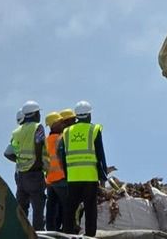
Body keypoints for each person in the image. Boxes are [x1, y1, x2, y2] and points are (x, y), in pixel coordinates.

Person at [59, 100, 108, 237]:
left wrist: (67, 174)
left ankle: (67, 235)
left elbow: (63, 156)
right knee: (90, 209)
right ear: (88, 115)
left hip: (73, 177)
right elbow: (100, 154)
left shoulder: (67, 132)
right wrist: (103, 176)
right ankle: (89, 236)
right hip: (89, 177)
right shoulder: (94, 129)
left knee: (70, 209)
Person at [5, 100, 47, 230]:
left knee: (22, 208)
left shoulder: (16, 132)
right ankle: (37, 233)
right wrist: (38, 164)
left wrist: (20, 161)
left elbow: (8, 153)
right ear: (35, 114)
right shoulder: (37, 127)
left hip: (21, 175)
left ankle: (20, 232)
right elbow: (39, 143)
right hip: (35, 173)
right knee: (38, 207)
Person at [43, 111, 67, 232]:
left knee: (51, 208)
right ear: (54, 124)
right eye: (60, 122)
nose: (63, 124)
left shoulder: (45, 140)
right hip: (61, 178)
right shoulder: (61, 139)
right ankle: (67, 230)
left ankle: (51, 231)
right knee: (66, 206)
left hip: (50, 180)